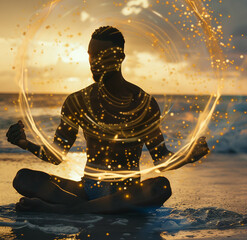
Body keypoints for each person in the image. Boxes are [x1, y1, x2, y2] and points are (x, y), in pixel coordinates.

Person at [6, 26, 209, 214]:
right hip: (87, 188)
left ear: (120, 57)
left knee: (161, 186)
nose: (94, 62)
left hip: (127, 192)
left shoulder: (144, 103)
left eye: (101, 55)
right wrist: (25, 144)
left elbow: (161, 159)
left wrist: (188, 156)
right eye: (91, 55)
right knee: (24, 178)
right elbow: (57, 156)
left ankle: (67, 210)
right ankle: (90, 208)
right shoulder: (77, 101)